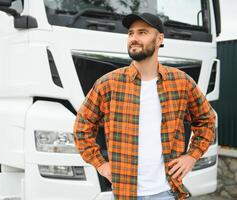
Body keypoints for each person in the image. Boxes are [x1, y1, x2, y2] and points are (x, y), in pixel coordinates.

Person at [73, 12, 216, 200]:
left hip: (166, 191)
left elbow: (206, 120)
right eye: (131, 33)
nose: (134, 38)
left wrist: (192, 156)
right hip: (126, 193)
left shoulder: (181, 83)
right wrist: (101, 164)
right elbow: (81, 128)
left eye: (142, 32)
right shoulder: (109, 84)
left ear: (159, 39)